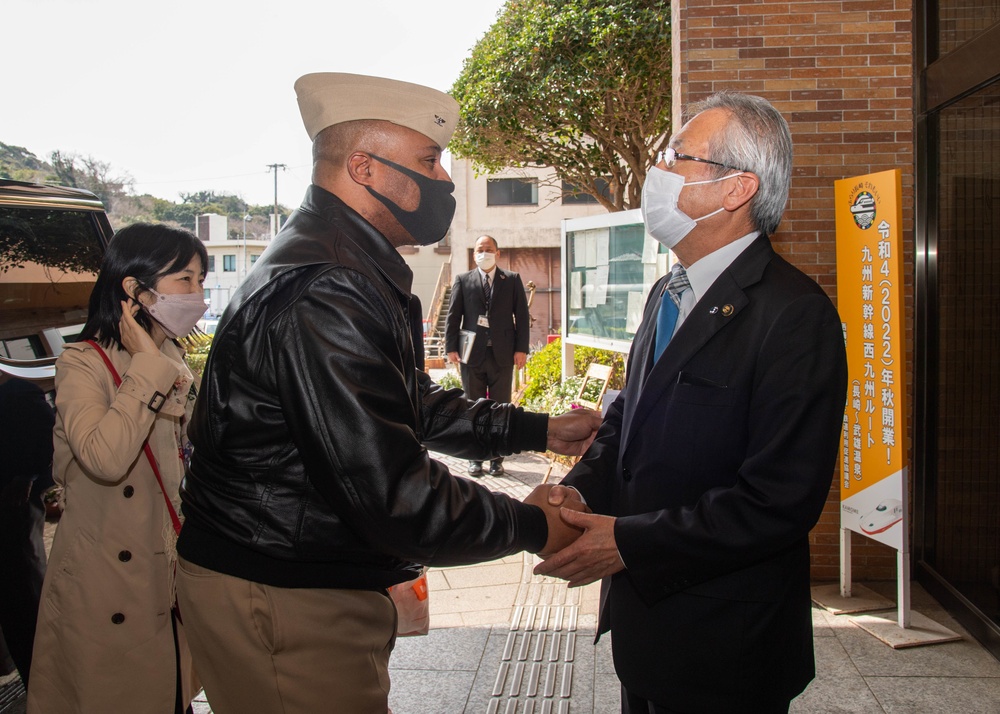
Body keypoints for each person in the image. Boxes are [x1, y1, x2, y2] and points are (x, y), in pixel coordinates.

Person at [175, 72, 600, 714]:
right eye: (430, 161)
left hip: (294, 575)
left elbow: (410, 405)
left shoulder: (345, 261)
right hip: (284, 592)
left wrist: (536, 430)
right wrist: (532, 523)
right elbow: (393, 493)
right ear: (364, 168)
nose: (447, 182)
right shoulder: (327, 286)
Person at [535, 93, 848, 713]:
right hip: (645, 635)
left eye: (678, 157)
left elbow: (778, 502)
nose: (660, 171)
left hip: (727, 647)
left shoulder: (795, 316)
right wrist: (581, 489)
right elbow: (629, 418)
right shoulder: (666, 291)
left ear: (737, 189)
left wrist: (630, 543)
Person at [28, 223, 207, 714]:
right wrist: (148, 367)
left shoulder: (171, 357)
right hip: (104, 580)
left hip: (164, 570)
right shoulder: (82, 363)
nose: (198, 294)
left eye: (200, 281)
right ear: (135, 289)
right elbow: (106, 460)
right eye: (185, 280)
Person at [446, 234, 531, 477]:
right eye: (480, 249)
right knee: (473, 406)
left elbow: (522, 317)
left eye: (489, 249)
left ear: (498, 253)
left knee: (500, 408)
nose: (484, 253)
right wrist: (451, 347)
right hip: (471, 355)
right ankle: (475, 458)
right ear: (474, 255)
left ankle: (496, 458)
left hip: (502, 355)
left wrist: (521, 349)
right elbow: (453, 316)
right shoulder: (463, 280)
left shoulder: (512, 280)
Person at [0, 375, 54, 688]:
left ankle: (44, 682)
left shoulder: (17, 393)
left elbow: (50, 442)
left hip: (13, 515)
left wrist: (27, 476)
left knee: (25, 601)